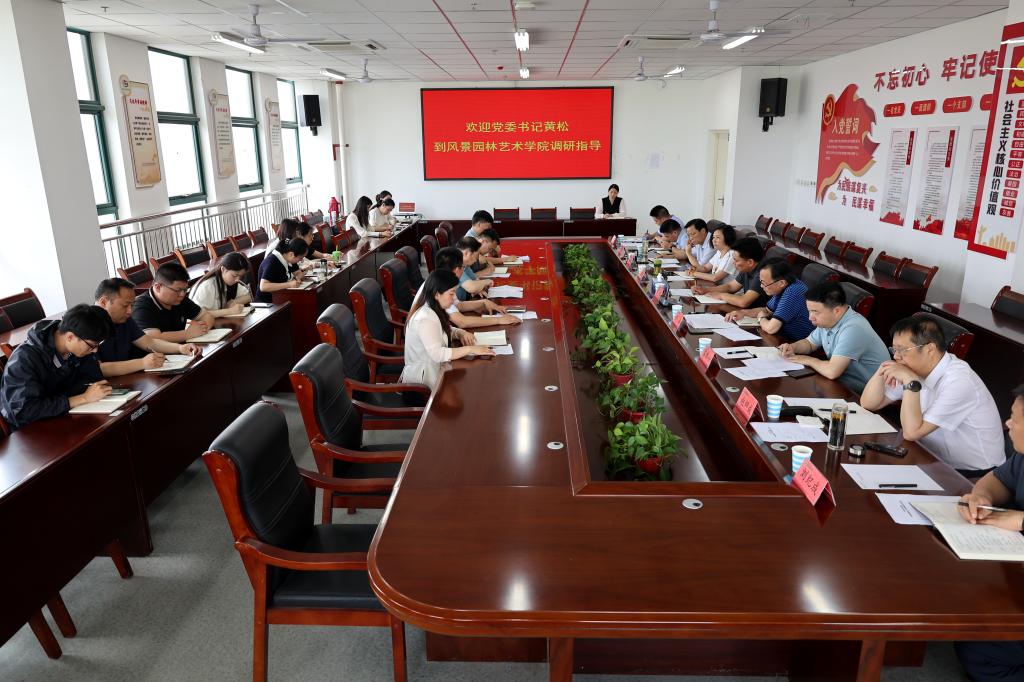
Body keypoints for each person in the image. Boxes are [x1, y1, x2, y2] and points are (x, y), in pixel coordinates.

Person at [860, 315, 1005, 477]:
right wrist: (883, 369)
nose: (896, 356)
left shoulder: (959, 380)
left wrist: (910, 381)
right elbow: (869, 403)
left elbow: (911, 433)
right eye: (894, 350)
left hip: (973, 473)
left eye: (902, 350)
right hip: (930, 456)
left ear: (929, 349)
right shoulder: (913, 368)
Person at [955, 385, 1024, 681]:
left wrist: (1020, 520)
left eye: (1015, 419)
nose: (1007, 424)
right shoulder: (1022, 455)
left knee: (980, 649)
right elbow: (997, 480)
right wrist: (980, 496)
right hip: (1012, 565)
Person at [0, 304, 112, 430]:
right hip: (32, 431)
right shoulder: (24, 359)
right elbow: (25, 411)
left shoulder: (78, 349)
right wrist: (83, 398)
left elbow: (92, 379)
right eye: (92, 345)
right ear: (70, 337)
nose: (95, 350)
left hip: (68, 416)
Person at [778, 282, 889, 393]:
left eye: (815, 312)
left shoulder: (854, 328)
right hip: (841, 383)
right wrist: (792, 347)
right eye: (809, 311)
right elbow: (809, 344)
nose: (810, 317)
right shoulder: (829, 320)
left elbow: (832, 371)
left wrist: (807, 360)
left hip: (867, 393)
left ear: (837, 311)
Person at [401, 269, 495, 390]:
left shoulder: (434, 307)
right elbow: (437, 354)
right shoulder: (425, 318)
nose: (454, 298)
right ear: (437, 294)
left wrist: (460, 333)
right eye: (451, 294)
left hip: (437, 371)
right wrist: (471, 349)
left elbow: (442, 330)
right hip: (423, 385)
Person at [94, 278, 201, 377]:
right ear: (103, 302)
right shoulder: (88, 326)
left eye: (132, 305)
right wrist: (142, 363)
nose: (130, 311)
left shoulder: (124, 320)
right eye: (125, 305)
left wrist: (180, 348)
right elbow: (98, 368)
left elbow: (149, 342)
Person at [412, 246, 521, 329]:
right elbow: (462, 322)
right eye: (463, 267)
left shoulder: (442, 280)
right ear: (457, 269)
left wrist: (483, 302)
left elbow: (458, 305)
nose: (464, 270)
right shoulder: (442, 287)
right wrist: (499, 320)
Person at [727, 258, 813, 341]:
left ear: (781, 283)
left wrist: (761, 318)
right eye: (761, 282)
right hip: (783, 338)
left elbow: (771, 328)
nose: (761, 286)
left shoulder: (794, 291)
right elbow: (767, 311)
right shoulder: (784, 286)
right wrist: (743, 313)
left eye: (764, 283)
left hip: (796, 343)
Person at [132, 263, 216, 343]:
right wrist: (188, 333)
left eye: (185, 289)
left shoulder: (180, 299)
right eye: (178, 290)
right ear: (158, 287)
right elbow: (152, 338)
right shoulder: (141, 306)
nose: (182, 294)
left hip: (182, 349)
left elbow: (206, 316)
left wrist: (202, 329)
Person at [692, 237, 766, 308]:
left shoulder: (762, 273)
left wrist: (720, 295)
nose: (733, 263)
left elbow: (743, 301)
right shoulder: (746, 269)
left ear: (750, 262)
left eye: (736, 260)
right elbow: (730, 287)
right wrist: (705, 290)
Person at [254, 238, 308, 303]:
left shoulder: (287, 257)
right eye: (300, 258)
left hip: (280, 298)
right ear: (291, 254)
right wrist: (289, 284)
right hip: (267, 303)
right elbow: (263, 287)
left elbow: (296, 274)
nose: (301, 261)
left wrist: (296, 279)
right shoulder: (272, 261)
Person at [455, 236, 492, 301]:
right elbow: (471, 287)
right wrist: (486, 281)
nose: (475, 260)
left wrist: (479, 289)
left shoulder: (465, 265)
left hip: (464, 301)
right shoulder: (454, 264)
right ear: (467, 253)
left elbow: (475, 279)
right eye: (475, 257)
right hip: (454, 305)